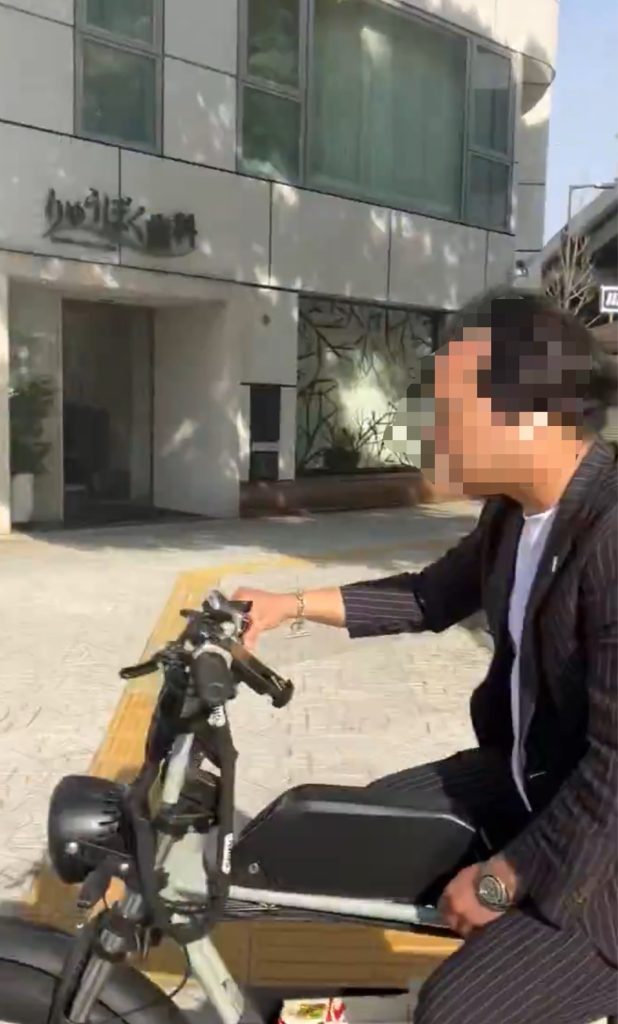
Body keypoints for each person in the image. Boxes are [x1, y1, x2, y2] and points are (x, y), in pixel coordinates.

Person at [232, 288, 618, 1024]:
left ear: (532, 414)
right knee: (348, 837)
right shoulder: (513, 511)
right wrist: (288, 605)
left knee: (454, 1011)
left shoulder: (611, 533)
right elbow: (430, 595)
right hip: (528, 781)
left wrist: (506, 876)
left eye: (448, 409)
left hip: (602, 856)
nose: (431, 430)